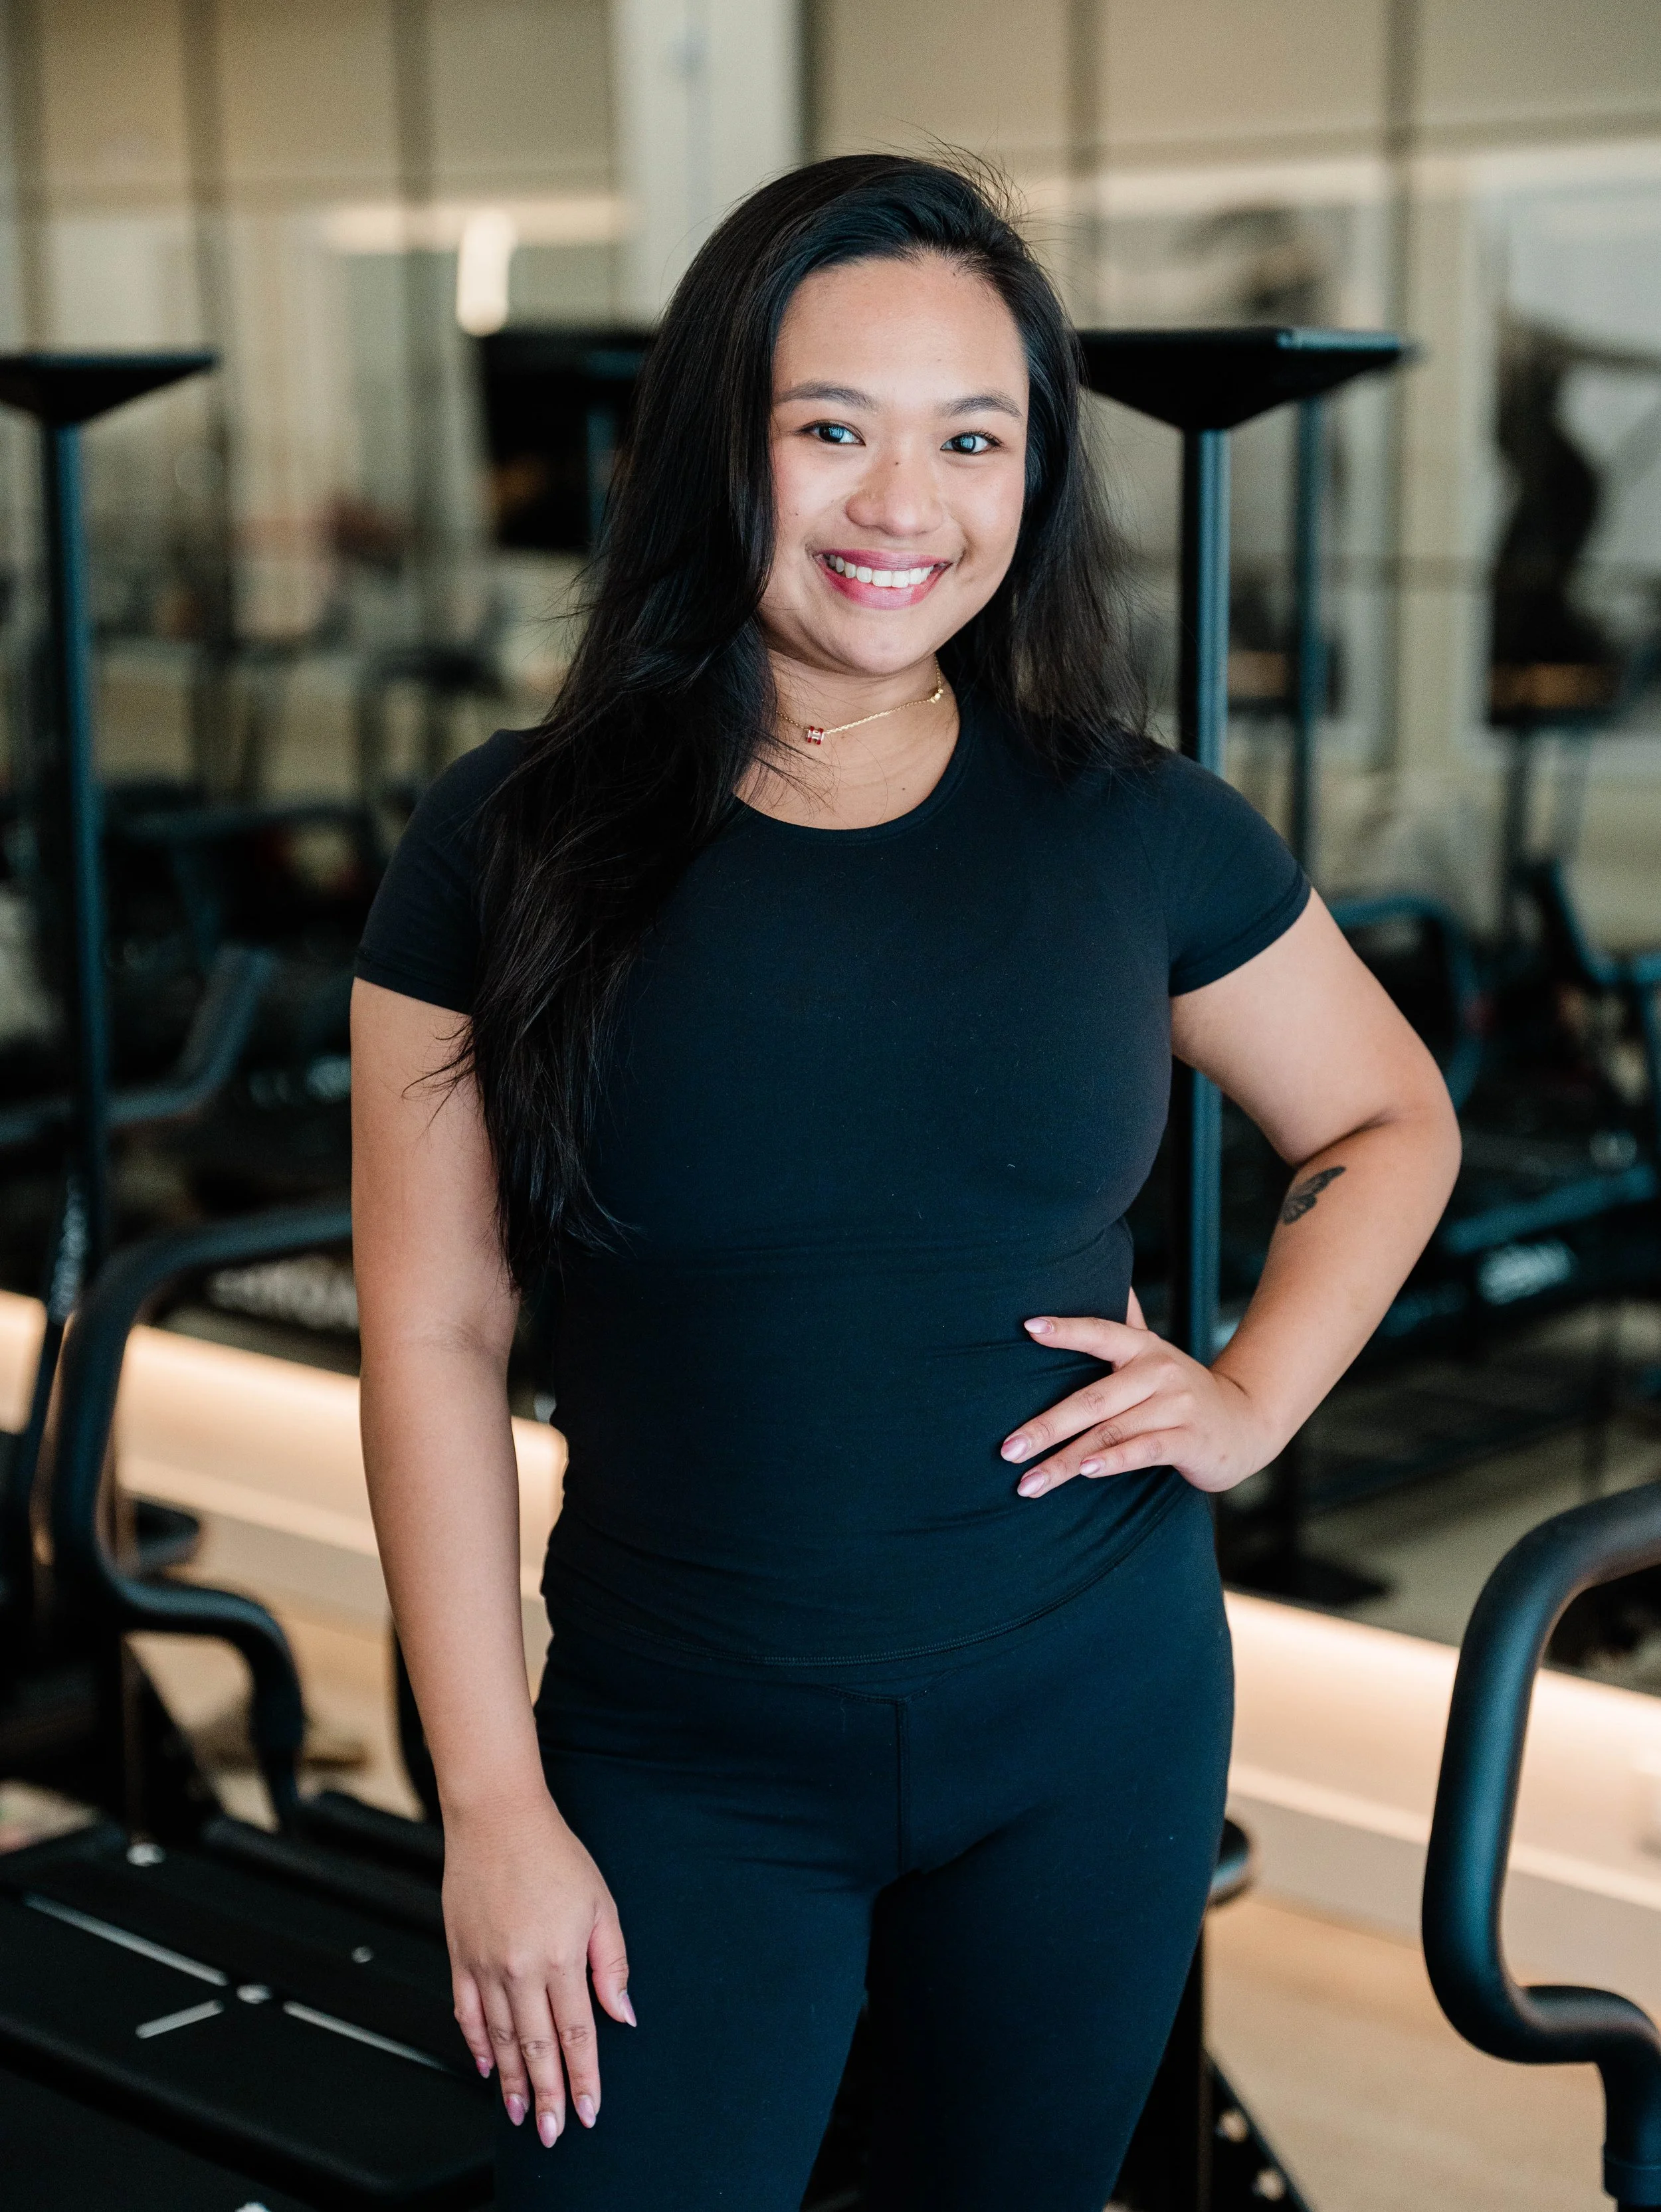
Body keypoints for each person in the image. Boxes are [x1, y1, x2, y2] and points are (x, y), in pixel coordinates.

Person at [351, 155, 1459, 2212]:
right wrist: (488, 1805)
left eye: (971, 438)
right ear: (719, 446)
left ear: (1035, 473)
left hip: (1088, 1724)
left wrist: (1250, 1399)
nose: (902, 505)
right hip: (678, 1759)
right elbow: (429, 1331)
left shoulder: (1132, 830)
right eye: (829, 429)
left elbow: (1388, 1121)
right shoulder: (506, 841)